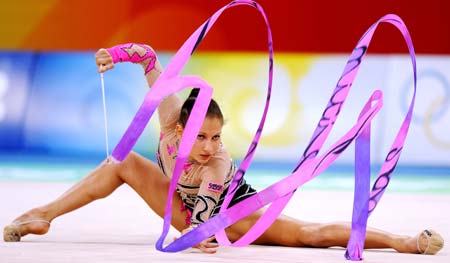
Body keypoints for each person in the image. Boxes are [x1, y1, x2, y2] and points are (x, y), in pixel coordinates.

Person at [3, 43, 444, 255]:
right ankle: (43, 213)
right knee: (121, 163)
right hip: (181, 201)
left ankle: (401, 240)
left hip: (233, 210)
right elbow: (149, 58)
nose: (210, 146)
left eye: (217, 137)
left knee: (309, 234)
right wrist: (113, 55)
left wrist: (200, 237)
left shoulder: (219, 163)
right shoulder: (170, 121)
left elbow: (204, 224)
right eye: (202, 137)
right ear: (181, 126)